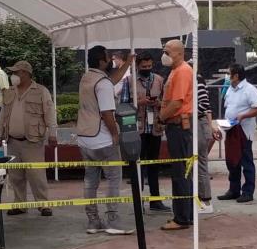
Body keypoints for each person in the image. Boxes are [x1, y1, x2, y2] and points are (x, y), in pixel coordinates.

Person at [76, 46, 134, 234]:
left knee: (90, 181)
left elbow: (111, 80)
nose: (111, 60)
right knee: (113, 179)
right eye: (108, 58)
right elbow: (107, 113)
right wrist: (115, 134)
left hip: (84, 138)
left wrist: (127, 64)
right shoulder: (103, 83)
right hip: (103, 139)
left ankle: (93, 221)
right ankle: (112, 221)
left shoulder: (86, 78)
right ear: (102, 61)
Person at [0, 60, 56, 217]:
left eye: (16, 72)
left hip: (33, 141)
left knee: (37, 175)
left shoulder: (41, 91)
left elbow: (50, 113)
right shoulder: (9, 92)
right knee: (16, 176)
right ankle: (20, 204)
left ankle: (43, 204)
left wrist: (53, 134)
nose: (13, 76)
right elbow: (2, 115)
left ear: (26, 73)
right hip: (13, 140)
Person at [123, 52, 171, 212]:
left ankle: (155, 200)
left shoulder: (159, 80)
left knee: (153, 165)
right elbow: (123, 105)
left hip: (155, 129)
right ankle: (139, 202)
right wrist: (139, 103)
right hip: (137, 129)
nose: (147, 69)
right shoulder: (129, 82)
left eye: (149, 66)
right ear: (137, 66)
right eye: (144, 67)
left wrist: (158, 103)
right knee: (138, 166)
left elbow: (167, 101)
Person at [158, 39, 194, 231]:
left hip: (179, 126)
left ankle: (182, 218)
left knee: (181, 173)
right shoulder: (176, 70)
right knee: (183, 172)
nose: (164, 55)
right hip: (178, 126)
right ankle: (186, 214)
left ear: (179, 53)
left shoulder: (182, 71)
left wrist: (160, 118)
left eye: (168, 51)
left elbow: (177, 103)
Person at [217, 63, 257, 203]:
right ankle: (233, 189)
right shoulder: (230, 89)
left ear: (236, 75)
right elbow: (229, 107)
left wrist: (243, 116)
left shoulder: (249, 90)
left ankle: (248, 191)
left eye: (229, 74)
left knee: (246, 161)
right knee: (232, 160)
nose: (227, 77)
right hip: (231, 129)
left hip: (243, 130)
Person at [195, 64, 221, 214]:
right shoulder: (198, 80)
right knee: (200, 162)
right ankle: (202, 199)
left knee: (200, 162)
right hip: (202, 123)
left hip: (198, 123)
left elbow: (204, 105)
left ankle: (205, 200)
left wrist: (186, 113)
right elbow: (208, 108)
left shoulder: (196, 80)